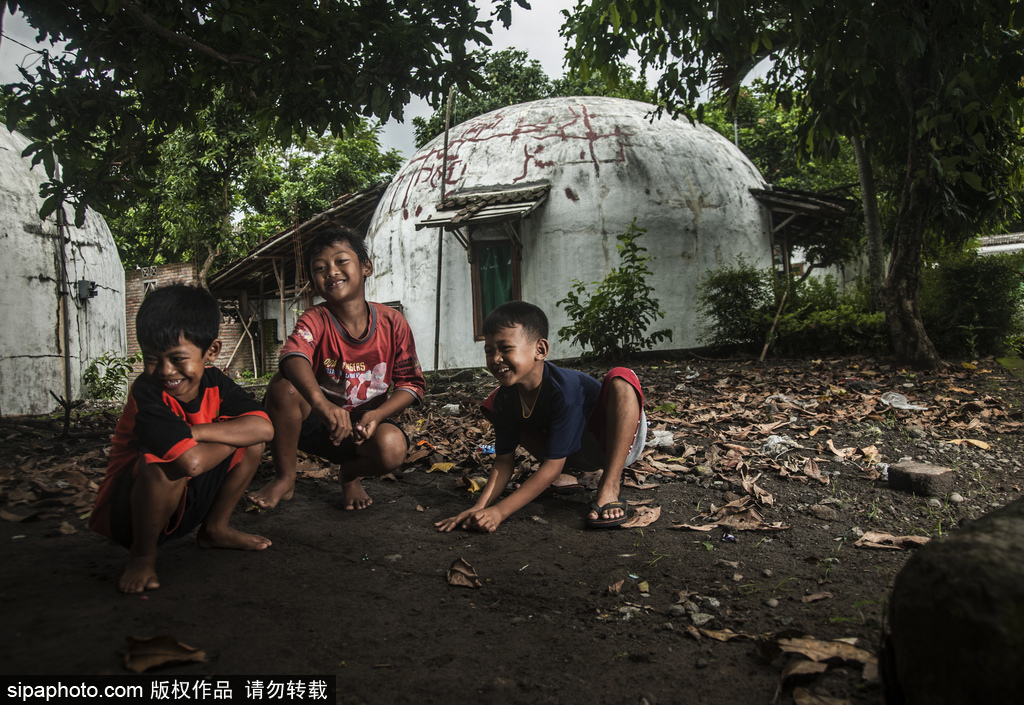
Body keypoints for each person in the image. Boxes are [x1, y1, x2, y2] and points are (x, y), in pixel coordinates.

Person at [89, 284, 275, 594]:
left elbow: (265, 429)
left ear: (211, 352)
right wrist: (232, 437)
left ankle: (214, 530)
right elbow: (189, 461)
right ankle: (143, 556)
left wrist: (197, 431)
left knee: (253, 441)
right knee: (164, 466)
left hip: (187, 499)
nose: (164, 370)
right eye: (152, 358)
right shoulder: (147, 393)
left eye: (177, 358)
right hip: (130, 518)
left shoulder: (217, 382)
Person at [247, 226, 425, 512]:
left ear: (365, 266)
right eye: (320, 268)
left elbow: (411, 385)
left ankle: (350, 475)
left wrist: (377, 415)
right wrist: (320, 404)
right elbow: (293, 355)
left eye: (341, 261)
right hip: (318, 423)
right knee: (284, 386)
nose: (331, 271)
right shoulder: (315, 318)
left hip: (362, 429)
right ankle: (285, 478)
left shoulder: (393, 323)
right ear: (314, 280)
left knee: (392, 449)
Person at [436, 301, 646, 533]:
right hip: (573, 454)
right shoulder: (505, 397)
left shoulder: (564, 391)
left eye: (505, 348)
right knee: (492, 404)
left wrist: (500, 512)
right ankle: (568, 477)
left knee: (621, 378)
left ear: (540, 350)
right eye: (489, 351)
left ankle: (609, 484)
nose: (496, 358)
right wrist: (480, 507)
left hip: (613, 443)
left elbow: (551, 466)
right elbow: (504, 461)